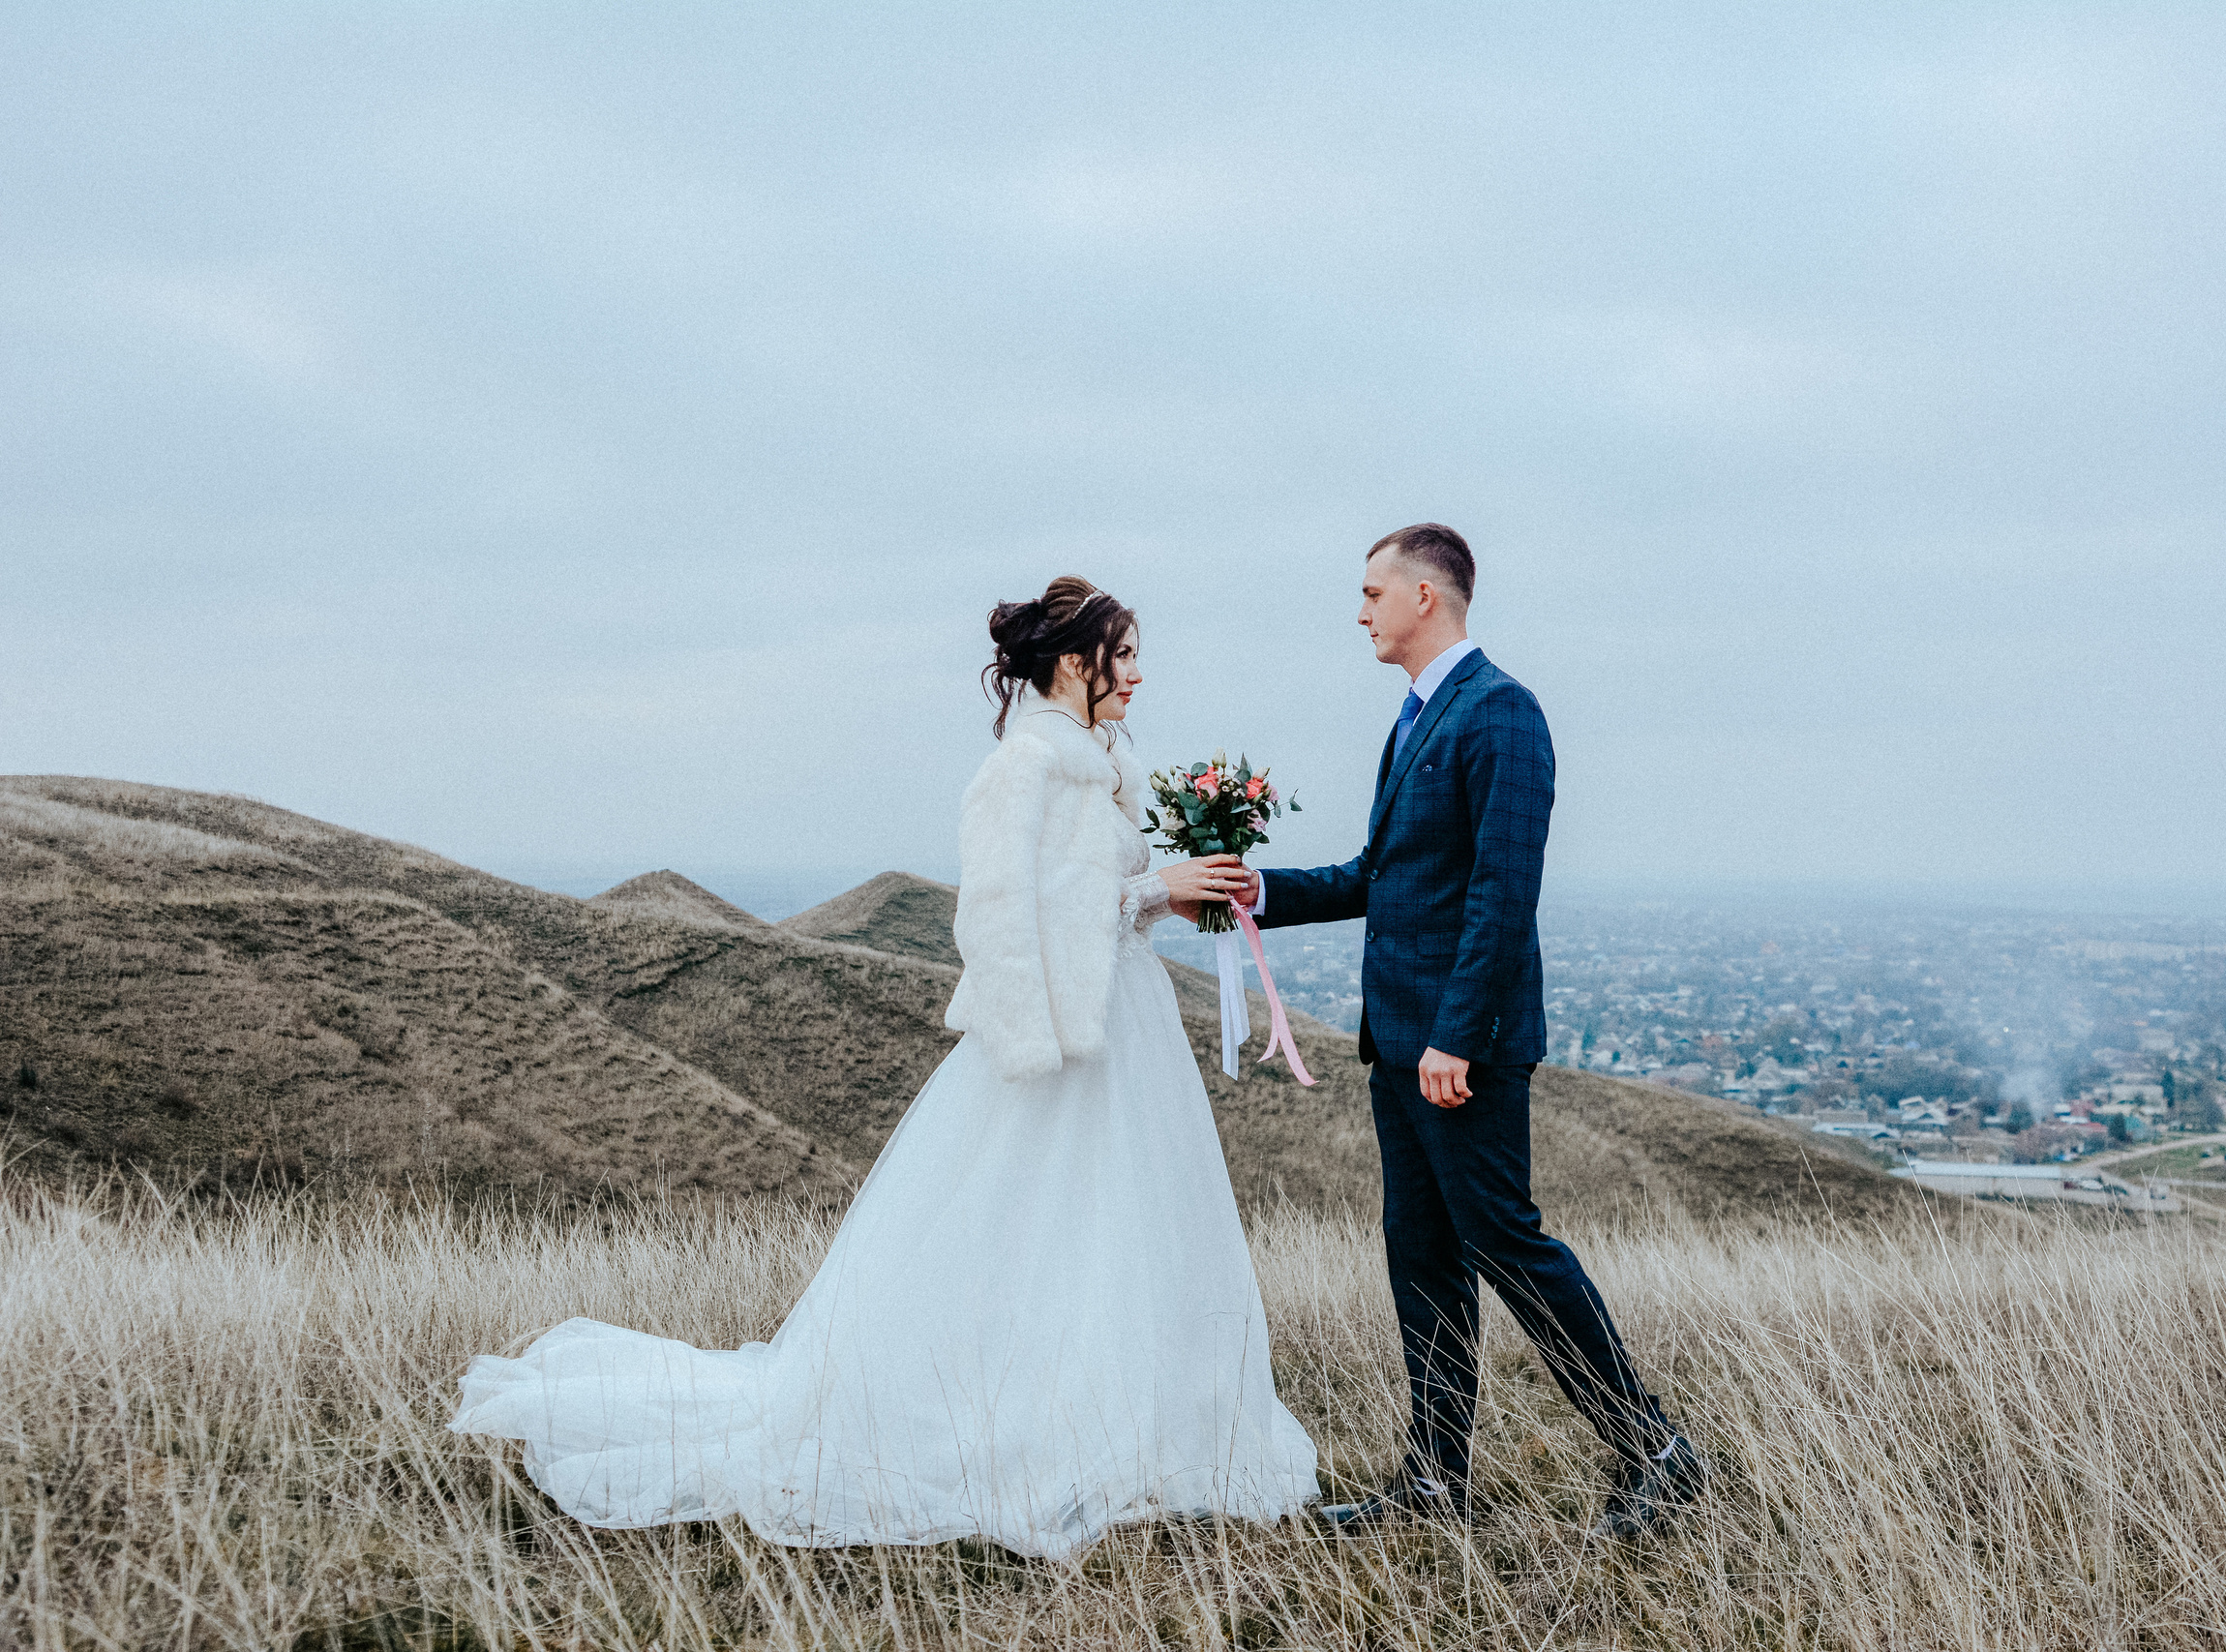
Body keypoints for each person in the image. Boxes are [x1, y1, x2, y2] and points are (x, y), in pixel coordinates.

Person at [449, 577, 1321, 1561]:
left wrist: (1168, 896)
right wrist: (1144, 890)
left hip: (1123, 1028)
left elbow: (1092, 900)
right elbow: (998, 916)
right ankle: (1017, 1425)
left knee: (1122, 1223)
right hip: (1057, 1041)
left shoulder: (1102, 767)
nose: (1136, 674)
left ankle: (1140, 1425)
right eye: (1122, 654)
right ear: (1075, 662)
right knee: (1034, 1227)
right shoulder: (1025, 766)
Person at [1240, 524, 1704, 1537]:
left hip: (1462, 1046)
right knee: (1421, 1255)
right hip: (1399, 1043)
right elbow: (1382, 877)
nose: (1360, 611)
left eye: (1372, 592)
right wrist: (1254, 890)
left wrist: (1454, 1036)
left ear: (1425, 596)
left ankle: (1657, 1452)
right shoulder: (1414, 718)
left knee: (1506, 1241)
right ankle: (1433, 1483)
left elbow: (1502, 889)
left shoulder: (1501, 711)